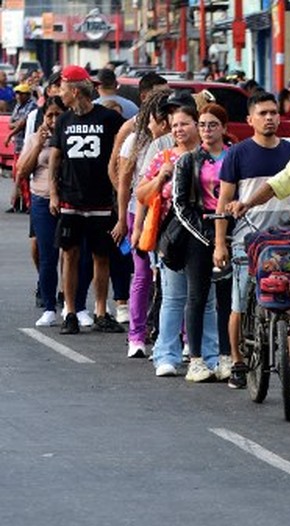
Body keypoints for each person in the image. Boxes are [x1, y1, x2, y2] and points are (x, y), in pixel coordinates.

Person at [213, 91, 290, 388]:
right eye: (263, 114)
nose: (269, 118)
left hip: (285, 240)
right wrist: (220, 242)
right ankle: (238, 361)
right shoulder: (237, 154)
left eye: (274, 113)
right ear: (250, 120)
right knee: (240, 301)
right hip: (246, 239)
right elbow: (224, 201)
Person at [135, 96, 219, 379]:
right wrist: (160, 178)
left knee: (205, 299)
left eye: (184, 124)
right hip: (172, 235)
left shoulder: (211, 157)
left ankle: (210, 354)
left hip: (206, 233)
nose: (179, 130)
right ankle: (166, 354)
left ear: (198, 125)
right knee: (172, 297)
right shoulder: (163, 157)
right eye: (174, 125)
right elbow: (142, 196)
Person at [48, 65, 126, 335]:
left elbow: (121, 154)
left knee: (101, 256)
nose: (59, 93)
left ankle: (101, 310)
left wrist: (118, 193)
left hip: (101, 200)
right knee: (69, 255)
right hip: (70, 198)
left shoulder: (108, 118)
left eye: (62, 88)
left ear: (74, 89)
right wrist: (54, 193)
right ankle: (70, 311)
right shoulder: (63, 120)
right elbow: (55, 159)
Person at [172, 103, 232, 382]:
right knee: (196, 297)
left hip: (231, 232)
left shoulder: (235, 156)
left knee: (227, 299)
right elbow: (180, 203)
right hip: (198, 235)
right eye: (203, 125)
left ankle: (226, 357)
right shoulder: (188, 160)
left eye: (213, 125)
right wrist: (206, 236)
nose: (207, 130)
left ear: (224, 128)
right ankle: (195, 359)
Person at [117, 87, 172, 358]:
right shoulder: (135, 142)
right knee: (143, 276)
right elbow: (125, 184)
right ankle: (136, 336)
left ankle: (173, 335)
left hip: (170, 216)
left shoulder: (178, 143)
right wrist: (125, 222)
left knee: (171, 279)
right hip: (138, 213)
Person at [17, 96, 67, 327]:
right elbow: (22, 170)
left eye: (59, 115)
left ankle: (72, 304)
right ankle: (49, 307)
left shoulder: (70, 135)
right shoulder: (36, 138)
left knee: (74, 255)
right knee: (48, 257)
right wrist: (38, 143)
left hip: (69, 202)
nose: (54, 120)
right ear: (43, 117)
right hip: (41, 201)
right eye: (50, 115)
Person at [6, 83, 38, 212]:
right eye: (17, 93)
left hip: (27, 146)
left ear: (27, 95)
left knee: (24, 176)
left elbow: (21, 124)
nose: (18, 96)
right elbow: (11, 123)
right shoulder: (18, 106)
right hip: (18, 146)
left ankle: (28, 204)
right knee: (16, 176)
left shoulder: (32, 106)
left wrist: (10, 134)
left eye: (21, 93)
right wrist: (14, 127)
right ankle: (17, 204)